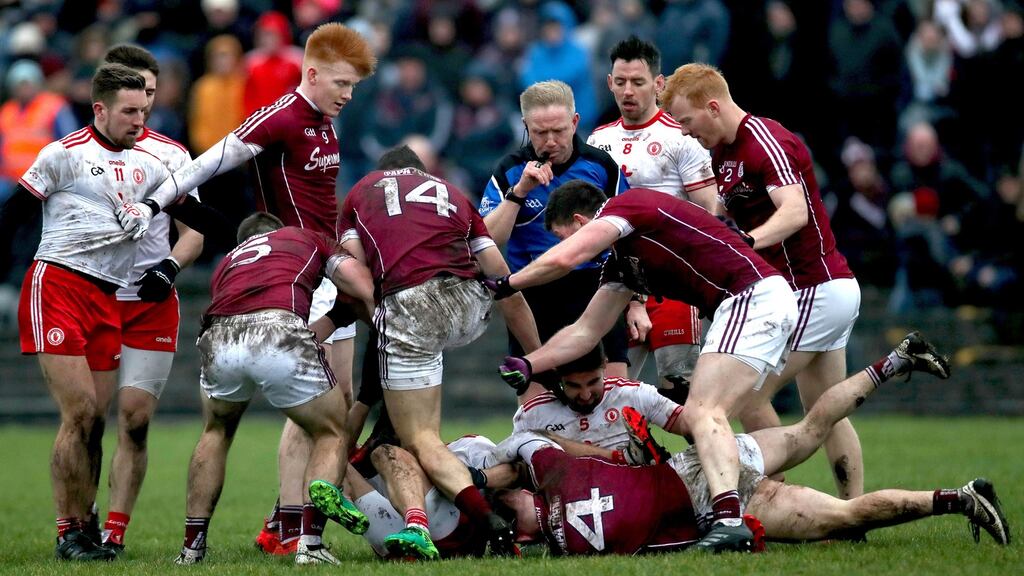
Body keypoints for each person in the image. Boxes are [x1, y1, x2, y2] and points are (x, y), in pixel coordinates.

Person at [115, 23, 377, 557]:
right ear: (312, 74)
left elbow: (320, 203)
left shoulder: (326, 123)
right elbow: (212, 159)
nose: (348, 96)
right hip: (294, 276)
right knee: (319, 411)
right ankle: (290, 527)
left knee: (337, 403)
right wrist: (153, 203)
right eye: (342, 84)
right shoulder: (282, 115)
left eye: (354, 87)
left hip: (323, 268)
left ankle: (283, 522)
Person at [487, 181, 798, 552]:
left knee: (703, 411)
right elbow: (585, 333)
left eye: (562, 236)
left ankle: (728, 520)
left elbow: (564, 259)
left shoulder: (628, 207)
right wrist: (529, 363)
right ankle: (735, 505)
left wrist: (507, 283)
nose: (562, 245)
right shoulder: (622, 264)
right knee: (710, 411)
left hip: (751, 297)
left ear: (581, 220)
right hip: (753, 302)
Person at [495, 333, 1009, 554]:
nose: (587, 396)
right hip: (695, 488)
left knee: (813, 442)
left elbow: (695, 421)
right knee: (840, 508)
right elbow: (529, 454)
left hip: (694, 477)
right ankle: (960, 497)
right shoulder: (535, 418)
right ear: (555, 383)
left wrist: (697, 441)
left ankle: (894, 363)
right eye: (576, 388)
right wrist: (612, 457)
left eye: (594, 384)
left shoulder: (627, 392)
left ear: (606, 375)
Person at [315, 144, 540, 558]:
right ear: (420, 172)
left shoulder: (362, 192)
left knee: (418, 438)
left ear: (385, 173)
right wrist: (537, 358)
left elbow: (356, 272)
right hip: (468, 306)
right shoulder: (452, 192)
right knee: (418, 426)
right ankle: (471, 508)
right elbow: (502, 280)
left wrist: (355, 319)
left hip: (411, 309)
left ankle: (470, 517)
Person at [662, 63, 867, 500]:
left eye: (686, 121)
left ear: (713, 107)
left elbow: (794, 211)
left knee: (749, 392)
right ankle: (851, 514)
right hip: (816, 291)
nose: (684, 133)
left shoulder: (765, 141)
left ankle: (773, 497)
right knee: (824, 407)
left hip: (814, 288)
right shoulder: (722, 153)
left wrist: (746, 243)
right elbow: (723, 212)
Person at [14, 64, 175, 561]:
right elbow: (12, 214)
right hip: (57, 284)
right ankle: (68, 533)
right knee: (80, 410)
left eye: (144, 110)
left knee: (95, 421)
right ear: (100, 109)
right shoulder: (63, 155)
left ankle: (85, 529)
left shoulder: (150, 164)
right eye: (129, 110)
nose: (138, 119)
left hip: (107, 297)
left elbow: (195, 214)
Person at [175, 212, 376, 566]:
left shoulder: (229, 262)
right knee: (331, 430)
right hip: (277, 327)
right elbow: (360, 283)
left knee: (216, 432)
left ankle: (191, 548)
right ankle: (309, 545)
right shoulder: (302, 236)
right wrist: (375, 312)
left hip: (220, 335)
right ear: (278, 232)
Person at [90, 44, 207, 555]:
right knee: (86, 421)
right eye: (136, 96)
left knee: (134, 420)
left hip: (150, 303)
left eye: (152, 95)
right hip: (93, 299)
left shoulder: (173, 155)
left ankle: (113, 531)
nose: (146, 106)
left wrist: (170, 266)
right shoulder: (77, 154)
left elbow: (195, 232)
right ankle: (77, 523)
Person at [479, 79, 630, 398]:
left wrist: (638, 305)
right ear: (525, 126)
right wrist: (519, 193)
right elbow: (487, 240)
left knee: (614, 394)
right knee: (538, 404)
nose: (550, 141)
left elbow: (629, 237)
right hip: (535, 296)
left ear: (575, 122)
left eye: (559, 131)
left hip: (595, 286)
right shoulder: (509, 170)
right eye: (540, 133)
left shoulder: (601, 166)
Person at [586, 36, 717, 401]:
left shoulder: (682, 137)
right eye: (621, 82)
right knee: (611, 395)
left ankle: (705, 459)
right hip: (622, 283)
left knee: (683, 392)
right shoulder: (598, 142)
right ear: (610, 82)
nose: (629, 91)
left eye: (638, 82)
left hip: (675, 283)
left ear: (658, 85)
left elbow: (710, 210)